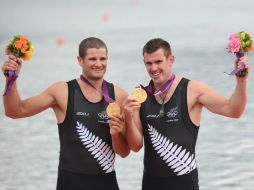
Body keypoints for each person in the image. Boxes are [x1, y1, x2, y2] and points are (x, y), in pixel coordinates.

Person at [2, 37, 130, 190]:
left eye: (102, 59)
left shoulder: (120, 96)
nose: (98, 64)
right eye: (92, 59)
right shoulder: (62, 92)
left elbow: (124, 152)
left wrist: (115, 134)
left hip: (106, 183)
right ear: (80, 60)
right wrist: (11, 78)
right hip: (70, 183)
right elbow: (15, 111)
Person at [123, 38, 249, 190]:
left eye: (158, 62)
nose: (153, 68)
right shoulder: (140, 96)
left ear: (171, 59)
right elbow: (136, 146)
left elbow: (233, 110)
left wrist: (241, 81)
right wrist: (128, 117)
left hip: (184, 183)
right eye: (148, 63)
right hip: (150, 183)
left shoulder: (193, 90)